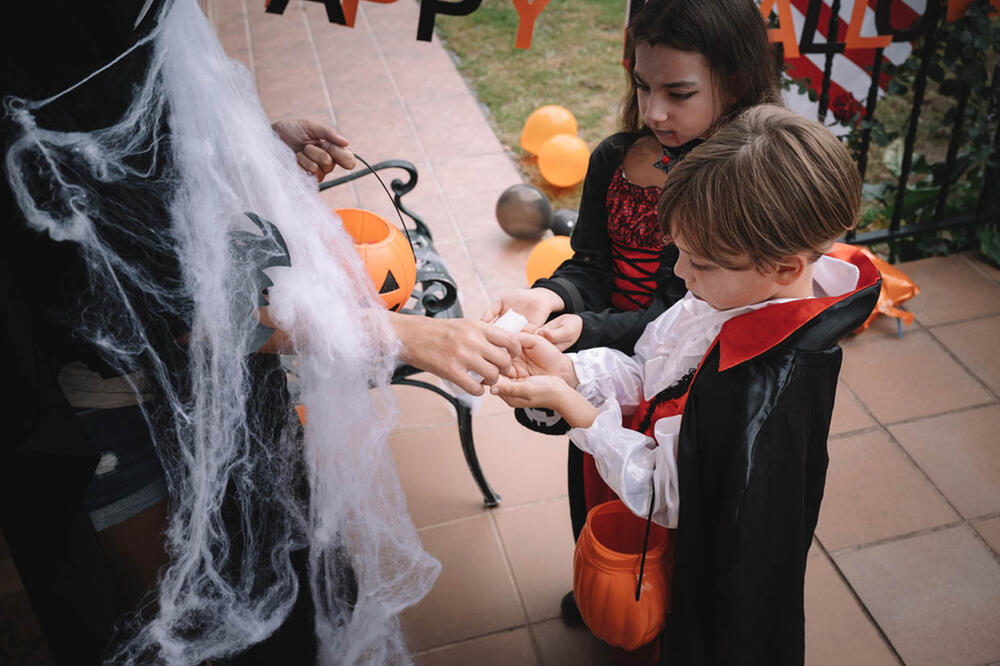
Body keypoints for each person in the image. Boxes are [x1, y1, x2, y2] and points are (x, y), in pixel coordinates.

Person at [0, 3, 517, 663]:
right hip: (114, 400)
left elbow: (150, 140)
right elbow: (173, 311)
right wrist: (395, 333)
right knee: (186, 621)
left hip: (229, 365)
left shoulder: (123, 34)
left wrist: (255, 143)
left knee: (279, 554)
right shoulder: (32, 94)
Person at [492, 105, 880, 664]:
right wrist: (570, 369)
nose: (680, 276)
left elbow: (663, 493)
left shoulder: (761, 385)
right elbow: (655, 371)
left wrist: (574, 408)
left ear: (786, 267)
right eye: (681, 254)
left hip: (707, 560)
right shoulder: (720, 297)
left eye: (699, 263)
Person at [483, 0, 783, 619]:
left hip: (675, 377)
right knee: (595, 483)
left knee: (665, 511)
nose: (654, 111)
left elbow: (682, 307)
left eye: (678, 91)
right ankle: (604, 577)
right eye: (643, 86)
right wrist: (552, 296)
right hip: (603, 366)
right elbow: (591, 262)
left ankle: (655, 610)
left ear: (737, 79)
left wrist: (584, 332)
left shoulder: (737, 191)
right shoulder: (616, 158)